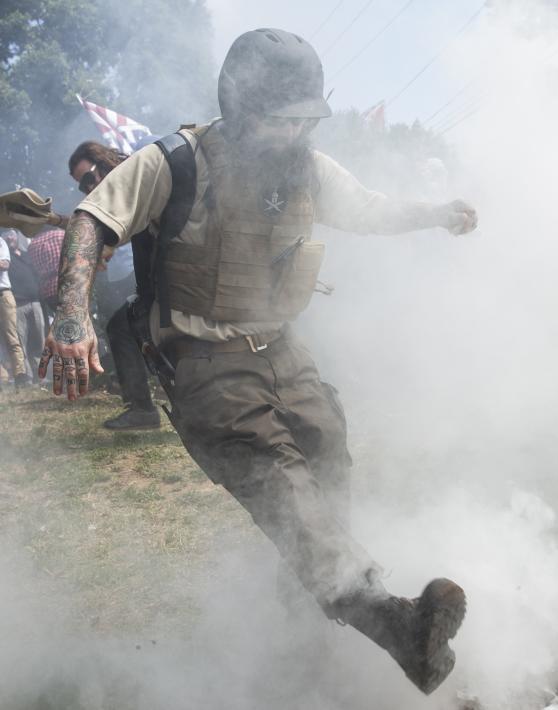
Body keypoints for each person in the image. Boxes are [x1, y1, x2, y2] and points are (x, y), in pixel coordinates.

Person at [41, 28, 478, 694]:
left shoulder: (307, 166)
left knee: (328, 463)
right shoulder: (175, 161)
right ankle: (396, 624)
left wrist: (436, 213)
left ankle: (297, 641)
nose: (294, 132)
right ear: (241, 107)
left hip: (284, 350)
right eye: (281, 119)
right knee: (284, 486)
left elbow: (368, 210)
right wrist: (72, 315)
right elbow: (92, 220)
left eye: (305, 119)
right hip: (205, 364)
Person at [68, 141, 160, 429]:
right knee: (125, 329)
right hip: (155, 283)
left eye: (88, 178)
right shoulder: (118, 191)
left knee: (123, 329)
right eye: (82, 186)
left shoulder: (135, 177)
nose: (88, 189)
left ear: (104, 163)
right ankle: (146, 406)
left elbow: (117, 228)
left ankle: (145, 409)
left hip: (174, 281)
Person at [3, 230, 44, 383]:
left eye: (12, 234)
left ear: (17, 237)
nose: (9, 237)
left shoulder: (27, 255)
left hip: (35, 302)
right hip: (18, 304)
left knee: (39, 340)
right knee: (22, 341)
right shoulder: (6, 258)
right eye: (6, 235)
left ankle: (41, 375)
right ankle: (28, 377)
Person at [0, 228, 29, 390]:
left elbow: (4, 264)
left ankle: (20, 374)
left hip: (3, 294)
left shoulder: (1, 242)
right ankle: (3, 377)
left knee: (11, 335)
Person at [28, 225, 65, 325]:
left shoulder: (32, 245)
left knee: (63, 324)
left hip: (48, 291)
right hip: (67, 284)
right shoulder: (61, 235)